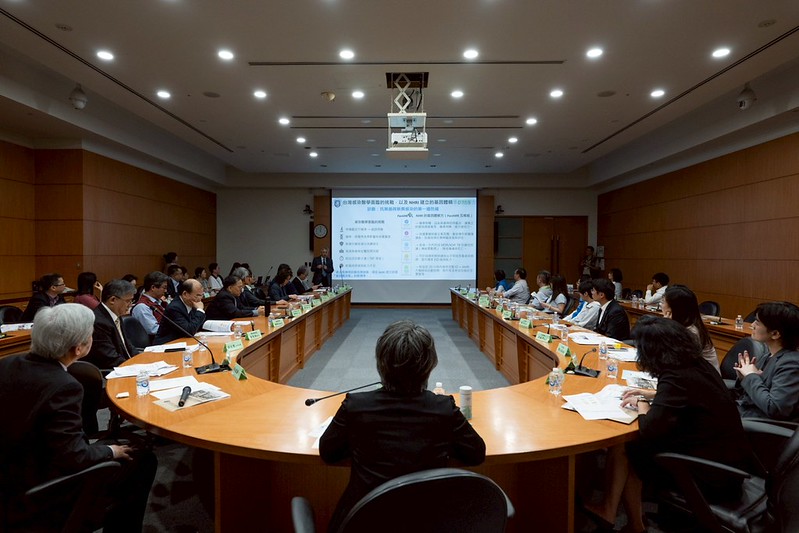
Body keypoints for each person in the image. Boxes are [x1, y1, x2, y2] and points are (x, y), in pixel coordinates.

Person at [582, 316, 752, 533]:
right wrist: (650, 393)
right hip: (728, 460)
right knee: (631, 446)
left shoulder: (675, 376)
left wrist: (641, 402)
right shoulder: (695, 363)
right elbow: (689, 395)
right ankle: (611, 511)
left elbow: (649, 429)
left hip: (710, 475)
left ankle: (632, 524)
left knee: (631, 448)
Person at [0, 304, 157, 532]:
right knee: (142, 460)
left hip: (10, 469)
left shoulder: (6, 363)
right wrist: (111, 451)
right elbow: (74, 456)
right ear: (79, 348)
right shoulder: (64, 386)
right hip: (33, 490)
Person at [319, 320, 486, 531]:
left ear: (381, 362)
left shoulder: (356, 406)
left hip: (365, 524)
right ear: (430, 365)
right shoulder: (443, 408)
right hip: (427, 523)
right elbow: (476, 454)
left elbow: (328, 453)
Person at [735, 301, 799, 421]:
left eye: (757, 322)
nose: (752, 325)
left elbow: (775, 409)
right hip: (745, 413)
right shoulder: (769, 355)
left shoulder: (792, 364)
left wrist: (751, 376)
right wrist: (744, 378)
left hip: (758, 424)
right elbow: (749, 396)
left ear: (775, 334)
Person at [662, 285, 719, 373]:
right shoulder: (683, 325)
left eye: (663, 302)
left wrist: (666, 326)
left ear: (673, 309)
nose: (661, 306)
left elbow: (674, 360)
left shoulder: (691, 331)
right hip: (693, 374)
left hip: (706, 377)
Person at [85, 279, 140, 370]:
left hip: (124, 365)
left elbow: (127, 345)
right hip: (111, 371)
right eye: (128, 301)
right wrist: (136, 367)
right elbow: (110, 358)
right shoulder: (98, 322)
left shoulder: (115, 314)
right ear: (113, 300)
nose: (130, 305)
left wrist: (141, 360)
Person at [154, 278, 207, 344]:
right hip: (166, 344)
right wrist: (200, 311)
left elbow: (198, 325)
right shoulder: (174, 308)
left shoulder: (192, 303)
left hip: (183, 342)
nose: (200, 299)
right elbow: (189, 331)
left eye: (202, 295)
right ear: (185, 294)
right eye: (198, 295)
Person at [131, 271, 169, 337]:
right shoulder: (142, 307)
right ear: (153, 287)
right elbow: (153, 330)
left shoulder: (159, 302)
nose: (166, 291)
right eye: (164, 288)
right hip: (155, 341)